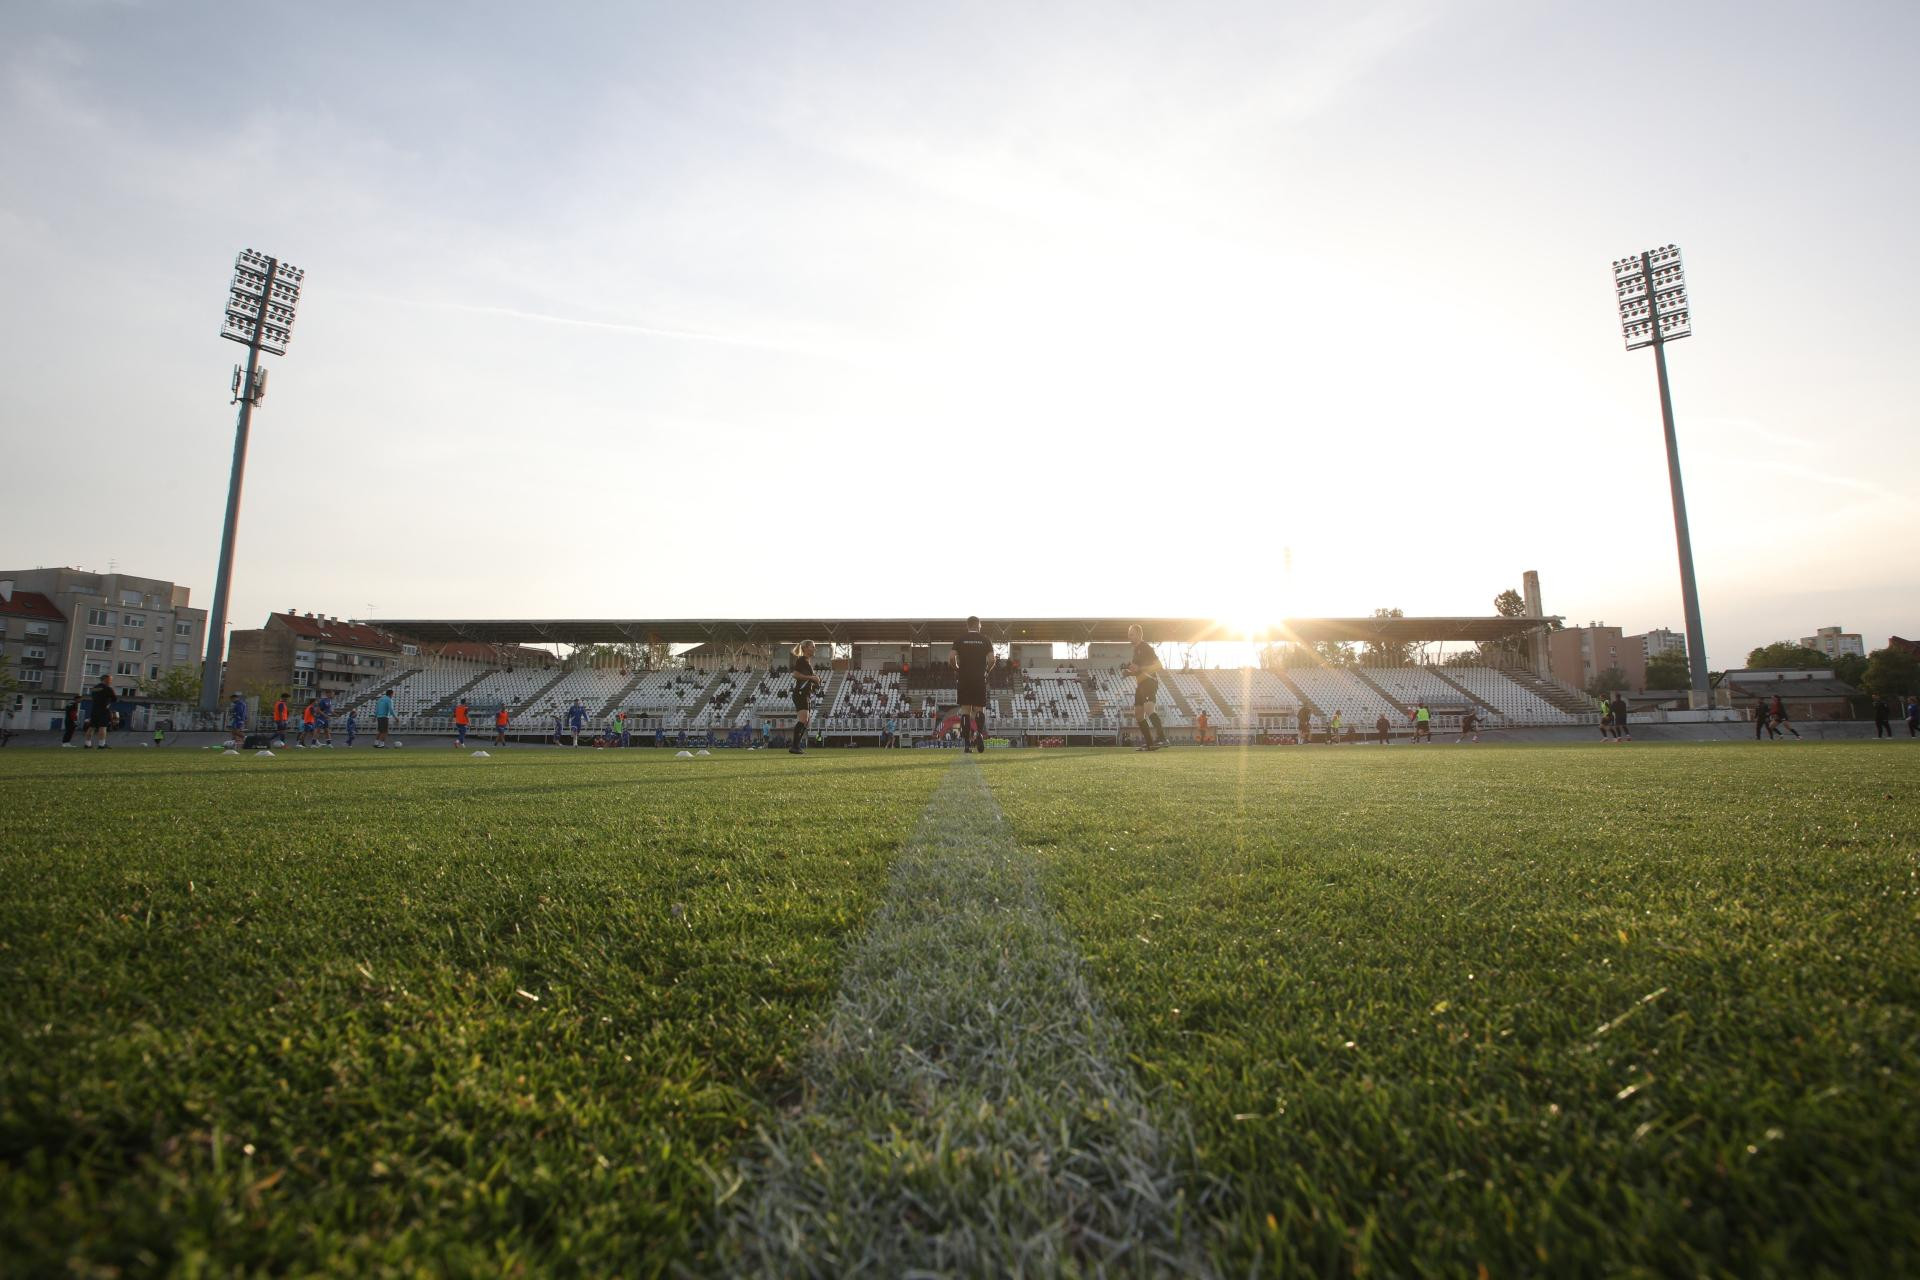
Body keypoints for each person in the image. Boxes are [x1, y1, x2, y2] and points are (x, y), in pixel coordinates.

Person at [950, 617, 996, 754]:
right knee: (979, 709)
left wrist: (957, 669)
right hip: (979, 678)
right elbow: (992, 659)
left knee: (966, 711)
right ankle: (979, 734)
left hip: (964, 678)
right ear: (979, 625)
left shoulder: (960, 639)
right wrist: (986, 671)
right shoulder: (985, 640)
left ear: (967, 626)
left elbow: (951, 658)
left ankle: (966, 744)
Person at [1124, 624, 1168, 751]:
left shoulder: (1146, 647)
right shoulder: (1136, 651)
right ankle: (1150, 743)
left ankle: (1162, 738)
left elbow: (1158, 666)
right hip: (1140, 684)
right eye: (1129, 634)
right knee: (1138, 714)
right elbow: (1138, 670)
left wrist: (1140, 668)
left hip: (1149, 681)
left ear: (1139, 634)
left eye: (1131, 634)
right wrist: (1129, 673)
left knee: (1149, 709)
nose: (1129, 637)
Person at [788, 640, 822, 754]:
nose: (814, 649)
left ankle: (796, 746)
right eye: (813, 647)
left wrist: (815, 681)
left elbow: (806, 679)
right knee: (803, 720)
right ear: (806, 648)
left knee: (806, 721)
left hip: (805, 693)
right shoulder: (801, 660)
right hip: (800, 693)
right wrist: (812, 678)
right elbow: (795, 674)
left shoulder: (807, 662)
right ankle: (794, 746)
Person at [85, 674, 117, 749]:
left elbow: (93, 697)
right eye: (110, 680)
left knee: (92, 726)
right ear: (105, 679)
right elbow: (115, 698)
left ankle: (87, 744)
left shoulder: (94, 688)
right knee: (103, 726)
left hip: (94, 709)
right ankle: (101, 744)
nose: (111, 681)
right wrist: (108, 702)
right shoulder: (108, 688)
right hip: (104, 709)